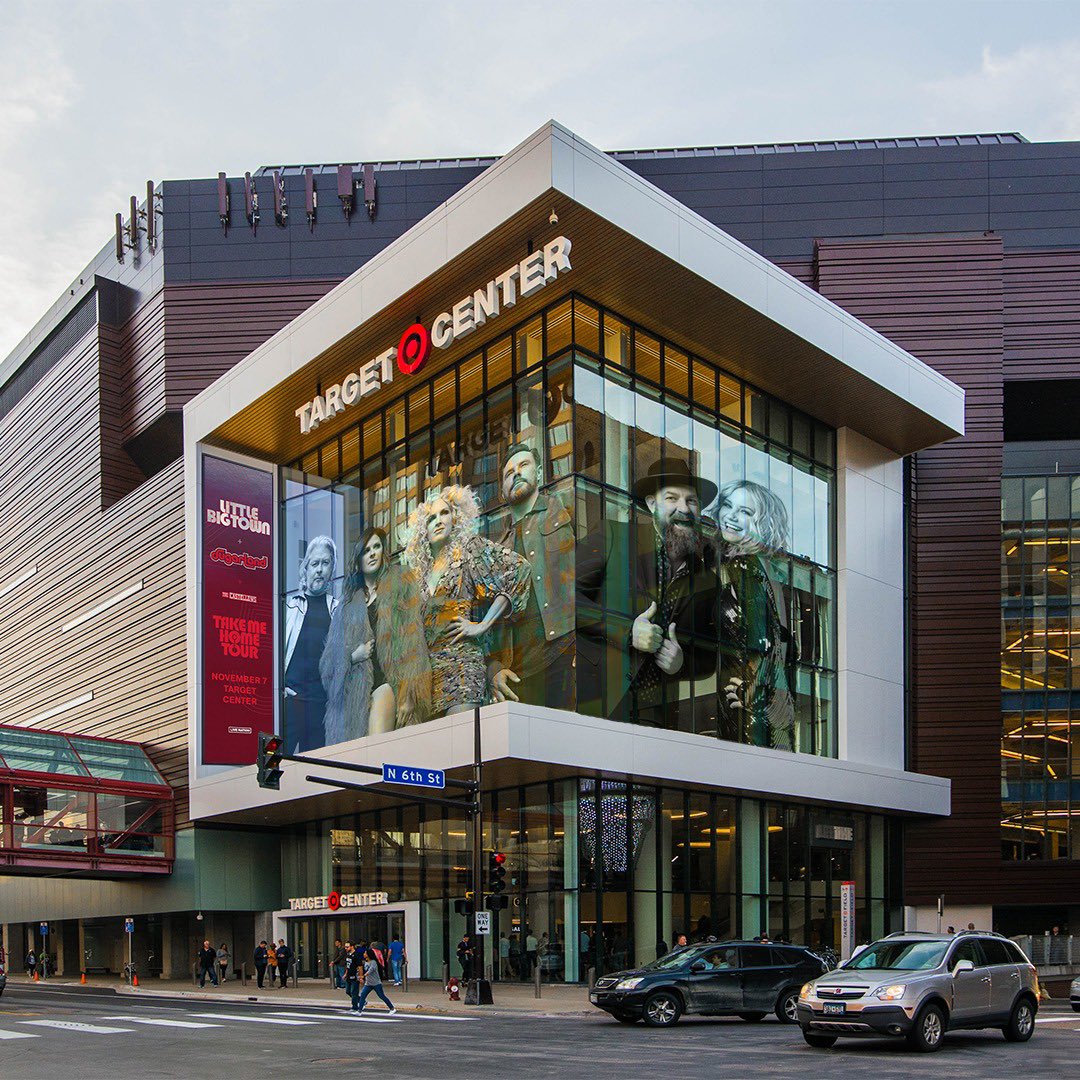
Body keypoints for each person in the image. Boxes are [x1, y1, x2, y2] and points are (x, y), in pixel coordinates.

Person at [577, 458, 718, 724]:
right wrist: (626, 631)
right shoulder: (612, 537)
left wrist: (682, 664)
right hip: (599, 704)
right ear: (652, 504)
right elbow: (564, 599)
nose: (683, 509)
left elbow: (712, 654)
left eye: (692, 501)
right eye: (672, 498)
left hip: (662, 717)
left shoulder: (708, 581)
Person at [399, 486, 531, 719]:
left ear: (455, 518)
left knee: (461, 747)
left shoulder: (469, 550)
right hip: (427, 678)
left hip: (462, 667)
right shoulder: (418, 576)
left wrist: (481, 625)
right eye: (430, 518)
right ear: (423, 531)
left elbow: (518, 570)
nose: (438, 521)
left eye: (444, 513)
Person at [707, 479, 796, 751]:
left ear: (763, 525)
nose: (731, 516)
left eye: (745, 512)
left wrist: (751, 687)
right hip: (749, 695)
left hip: (747, 700)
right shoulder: (753, 568)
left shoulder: (746, 567)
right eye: (727, 506)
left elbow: (763, 642)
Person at [488, 443, 576, 709]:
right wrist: (492, 669)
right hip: (518, 672)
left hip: (564, 651)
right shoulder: (495, 548)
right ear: (503, 491)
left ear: (538, 471)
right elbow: (486, 620)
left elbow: (592, 576)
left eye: (523, 465)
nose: (516, 473)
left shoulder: (564, 511)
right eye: (508, 472)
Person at [321, 527, 398, 744]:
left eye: (377, 547)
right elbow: (327, 668)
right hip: (354, 695)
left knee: (377, 754)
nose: (372, 553)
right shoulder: (346, 608)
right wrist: (354, 656)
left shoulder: (396, 592)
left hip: (387, 683)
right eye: (366, 550)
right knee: (357, 768)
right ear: (359, 559)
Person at [284, 535, 339, 751]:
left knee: (313, 774)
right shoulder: (289, 608)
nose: (319, 569)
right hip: (292, 700)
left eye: (325, 563)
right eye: (315, 563)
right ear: (305, 569)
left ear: (332, 569)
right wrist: (280, 688)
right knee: (277, 771)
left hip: (321, 705)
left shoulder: (338, 610)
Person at [355, 947, 396, 1014]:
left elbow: (371, 970)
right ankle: (359, 1010)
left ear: (368, 954)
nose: (364, 954)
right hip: (368, 983)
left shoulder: (373, 962)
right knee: (362, 995)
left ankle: (392, 1008)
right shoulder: (366, 962)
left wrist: (364, 976)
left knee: (381, 996)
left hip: (376, 983)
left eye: (365, 953)